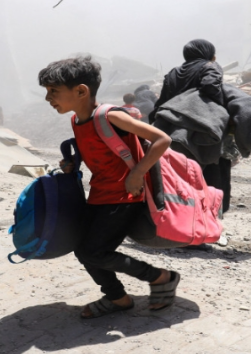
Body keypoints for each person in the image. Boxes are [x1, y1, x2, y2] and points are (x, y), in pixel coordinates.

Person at [39, 55, 180, 318]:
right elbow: (100, 152)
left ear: (81, 91)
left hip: (125, 195)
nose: (48, 98)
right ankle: (118, 298)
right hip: (99, 194)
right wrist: (73, 163)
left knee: (94, 251)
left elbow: (162, 139)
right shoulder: (76, 120)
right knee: (84, 250)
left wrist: (137, 173)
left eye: (53, 91)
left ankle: (160, 277)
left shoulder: (110, 116)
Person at [152, 39, 232, 213]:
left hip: (170, 130)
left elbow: (161, 102)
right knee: (211, 175)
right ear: (209, 54)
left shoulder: (174, 72)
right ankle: (207, 217)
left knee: (175, 175)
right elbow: (210, 87)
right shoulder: (210, 66)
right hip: (200, 129)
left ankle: (177, 215)